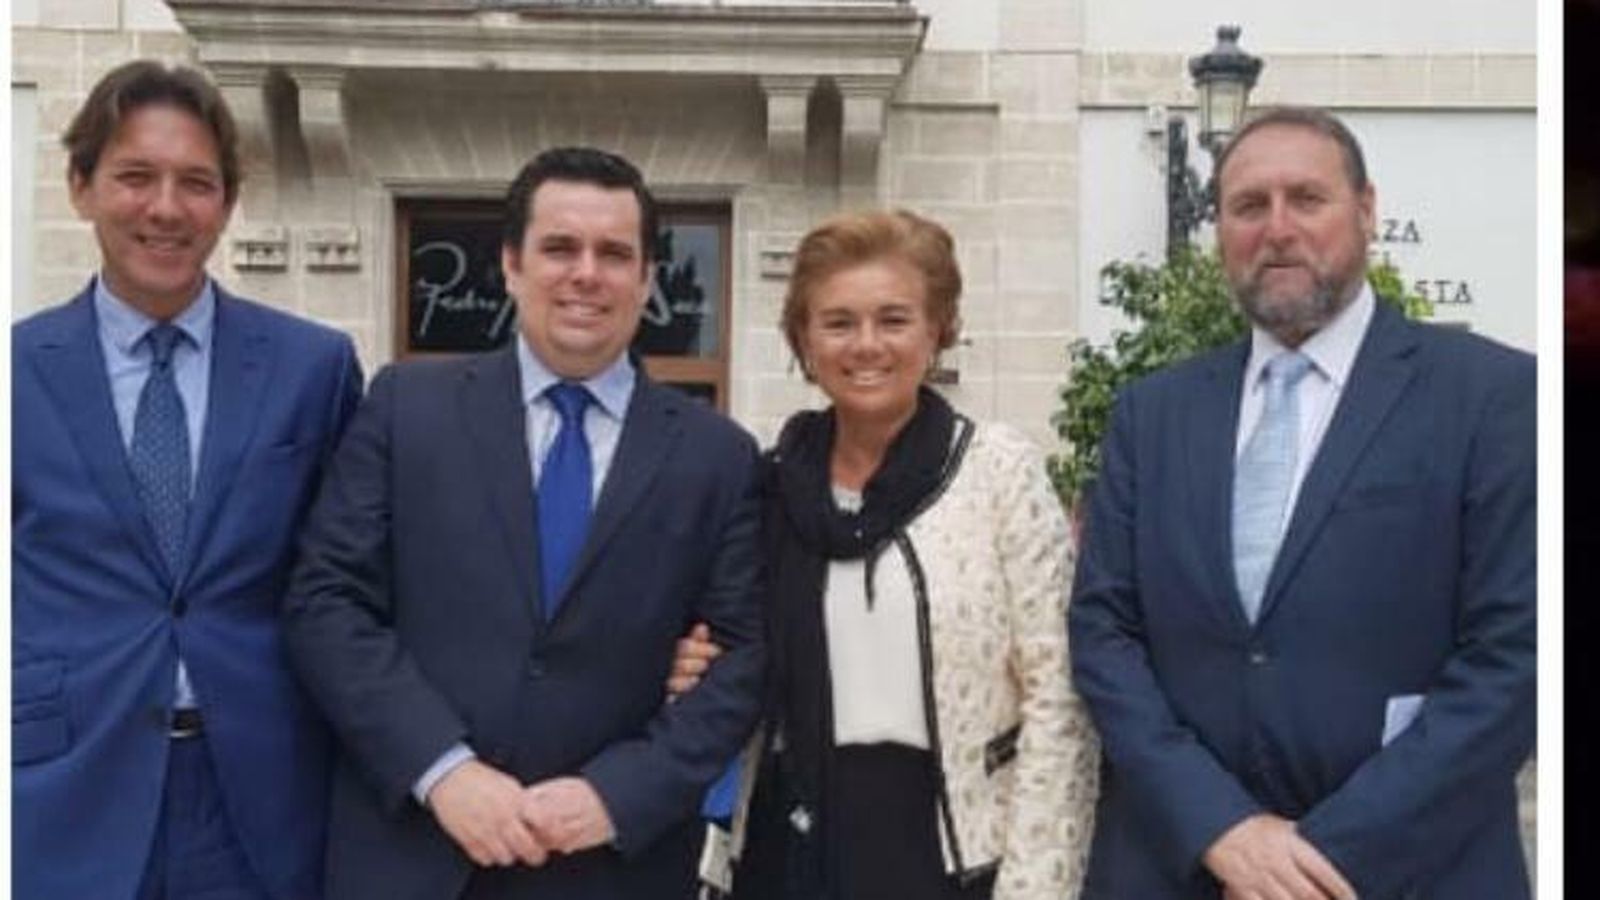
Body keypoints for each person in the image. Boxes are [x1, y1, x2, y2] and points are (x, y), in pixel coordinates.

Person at [1068, 106, 1535, 899]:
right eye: (1249, 206)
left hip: (1408, 872)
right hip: (1184, 865)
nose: (1276, 228)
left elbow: (1517, 658)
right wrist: (1220, 827)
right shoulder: (1152, 414)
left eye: (1305, 198)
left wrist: (1317, 859)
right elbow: (1104, 632)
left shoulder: (1495, 397)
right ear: (1221, 231)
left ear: (1366, 210)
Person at [281, 146, 766, 900]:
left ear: (646, 278)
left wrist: (618, 794)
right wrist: (443, 771)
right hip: (415, 852)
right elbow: (326, 602)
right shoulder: (408, 406)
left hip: (613, 867)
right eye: (559, 248)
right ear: (511, 264)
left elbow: (742, 662)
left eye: (614, 253)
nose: (586, 274)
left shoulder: (720, 456)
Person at [13, 60, 363, 900]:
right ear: (80, 186)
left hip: (262, 792)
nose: (166, 208)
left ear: (227, 202)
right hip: (62, 788)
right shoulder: (15, 371)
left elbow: (359, 573)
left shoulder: (312, 368)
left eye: (196, 183)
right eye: (135, 176)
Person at [679, 209, 1099, 900]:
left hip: (952, 850)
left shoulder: (998, 471)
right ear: (803, 340)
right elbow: (730, 645)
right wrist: (691, 661)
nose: (866, 344)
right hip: (792, 842)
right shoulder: (771, 481)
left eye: (894, 319)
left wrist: (1036, 887)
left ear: (937, 331)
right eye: (838, 322)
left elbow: (1060, 698)